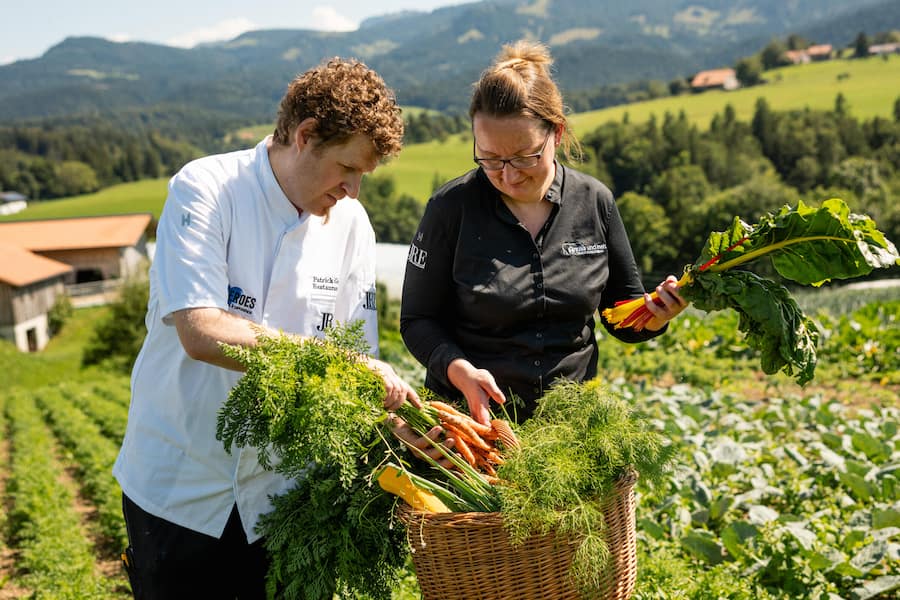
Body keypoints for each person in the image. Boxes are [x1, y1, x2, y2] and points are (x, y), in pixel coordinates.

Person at [113, 57, 432, 599]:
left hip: (286, 503)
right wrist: (343, 366)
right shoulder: (207, 189)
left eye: (364, 176)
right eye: (346, 169)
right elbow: (202, 331)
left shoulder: (352, 224)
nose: (354, 189)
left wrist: (402, 430)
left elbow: (357, 356)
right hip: (181, 490)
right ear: (305, 136)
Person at [400, 41, 686, 426]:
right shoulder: (451, 208)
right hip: (471, 433)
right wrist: (457, 368)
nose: (508, 174)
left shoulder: (595, 202)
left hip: (568, 436)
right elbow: (417, 320)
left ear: (557, 133)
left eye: (524, 157)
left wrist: (654, 316)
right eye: (490, 159)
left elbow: (622, 316)